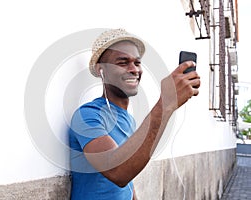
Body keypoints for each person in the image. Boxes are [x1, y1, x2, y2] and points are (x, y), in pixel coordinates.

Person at [69, 28, 200, 200]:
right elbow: (118, 172)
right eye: (123, 62)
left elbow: (128, 179)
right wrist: (165, 104)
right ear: (102, 70)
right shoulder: (87, 116)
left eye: (137, 63)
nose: (134, 69)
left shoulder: (129, 119)